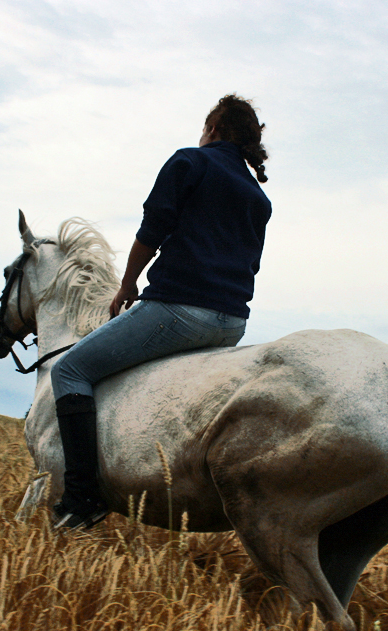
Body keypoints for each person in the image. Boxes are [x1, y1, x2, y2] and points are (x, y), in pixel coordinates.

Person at [49, 94, 272, 530]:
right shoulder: (258, 199)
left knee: (70, 372)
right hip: (231, 325)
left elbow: (152, 230)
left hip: (178, 310)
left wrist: (128, 284)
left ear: (214, 128)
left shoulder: (190, 162)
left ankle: (81, 498)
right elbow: (252, 264)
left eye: (204, 126)